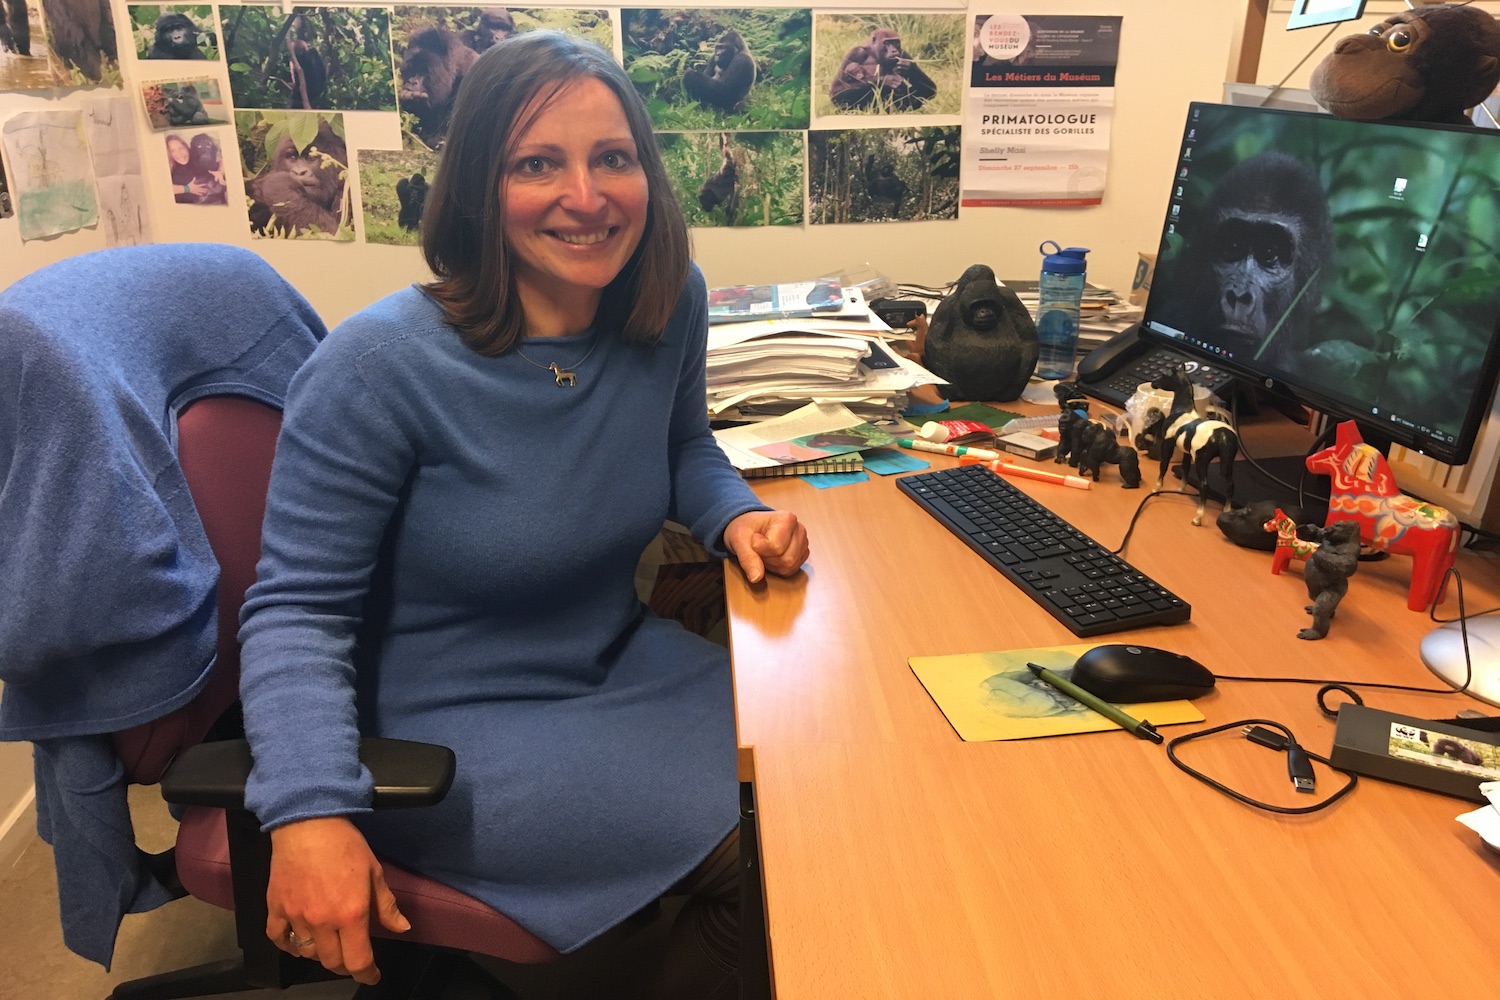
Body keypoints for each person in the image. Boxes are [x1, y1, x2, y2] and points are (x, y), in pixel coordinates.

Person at [236, 29, 810, 1000]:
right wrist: (308, 809)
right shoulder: (379, 367)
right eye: (537, 164)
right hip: (451, 730)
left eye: (612, 159)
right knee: (776, 861)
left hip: (620, 663)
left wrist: (735, 518)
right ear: (476, 190)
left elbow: (681, 449)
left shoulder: (666, 304)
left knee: (832, 775)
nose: (586, 197)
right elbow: (296, 610)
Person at [166, 133, 211, 204]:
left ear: (186, 147)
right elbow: (161, 189)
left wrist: (220, 171)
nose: (179, 153)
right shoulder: (168, 167)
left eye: (180, 148)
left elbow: (219, 160)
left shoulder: (194, 155)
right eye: (173, 151)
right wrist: (187, 189)